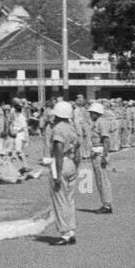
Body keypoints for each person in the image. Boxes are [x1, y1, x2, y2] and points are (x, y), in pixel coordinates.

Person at [48, 99, 80, 245]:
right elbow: (78, 147)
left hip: (61, 163)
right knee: (69, 199)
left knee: (59, 199)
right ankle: (71, 231)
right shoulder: (71, 128)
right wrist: (76, 164)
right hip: (72, 162)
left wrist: (57, 173)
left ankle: (65, 233)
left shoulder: (58, 129)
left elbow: (58, 150)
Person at [88, 101, 113, 214]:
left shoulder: (101, 122)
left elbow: (106, 140)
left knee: (103, 180)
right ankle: (105, 203)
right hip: (96, 152)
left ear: (97, 112)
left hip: (100, 153)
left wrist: (104, 156)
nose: (90, 115)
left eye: (92, 113)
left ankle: (107, 205)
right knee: (99, 180)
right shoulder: (97, 122)